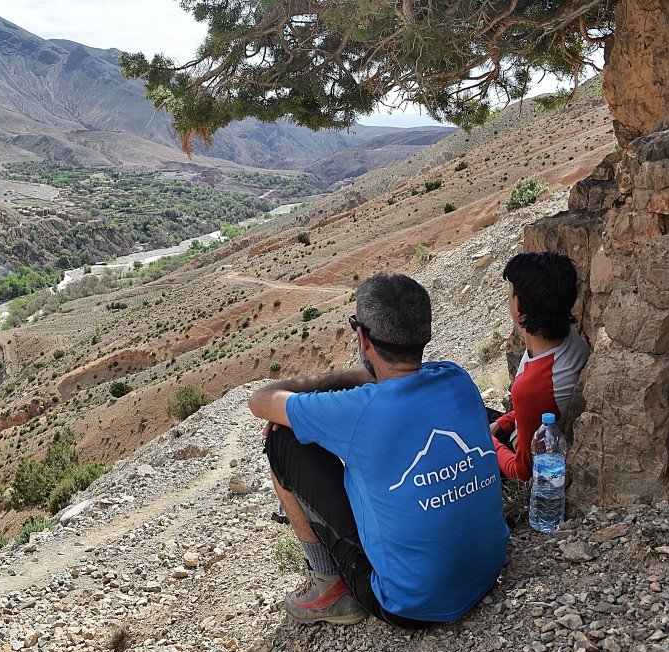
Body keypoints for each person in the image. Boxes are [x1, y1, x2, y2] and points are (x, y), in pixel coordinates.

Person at [248, 273, 509, 627]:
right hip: (488, 570)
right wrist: (369, 372)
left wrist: (351, 375)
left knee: (282, 440)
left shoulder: (359, 411)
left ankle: (326, 584)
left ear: (362, 337)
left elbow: (261, 400)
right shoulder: (458, 378)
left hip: (409, 605)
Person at [491, 252, 589, 482]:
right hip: (529, 424)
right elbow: (540, 406)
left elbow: (522, 472)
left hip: (530, 460)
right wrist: (502, 423)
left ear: (518, 304)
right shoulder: (565, 337)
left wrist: (490, 443)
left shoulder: (532, 385)